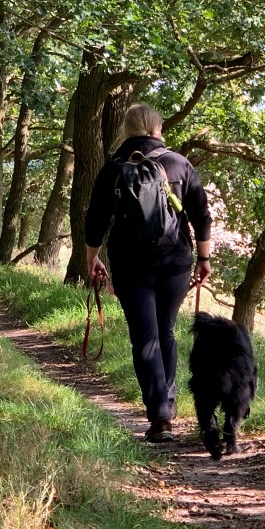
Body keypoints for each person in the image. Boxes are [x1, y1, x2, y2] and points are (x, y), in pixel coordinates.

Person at [84, 104, 212, 442]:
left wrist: (92, 259)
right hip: (175, 263)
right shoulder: (179, 164)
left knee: (145, 338)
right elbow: (201, 215)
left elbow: (95, 220)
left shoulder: (113, 168)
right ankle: (166, 406)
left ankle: (160, 417)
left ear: (127, 130)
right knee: (166, 332)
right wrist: (203, 258)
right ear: (158, 128)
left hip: (130, 264)